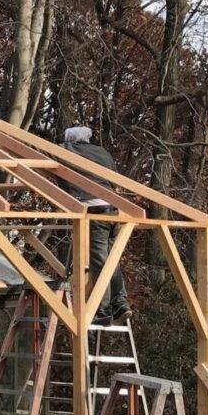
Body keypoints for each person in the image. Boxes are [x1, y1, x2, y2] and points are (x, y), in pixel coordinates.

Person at [61, 125, 132, 325]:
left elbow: (49, 157)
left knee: (99, 262)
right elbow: (114, 178)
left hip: (95, 213)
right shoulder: (102, 152)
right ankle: (120, 302)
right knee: (110, 260)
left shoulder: (66, 150)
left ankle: (102, 310)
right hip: (113, 210)